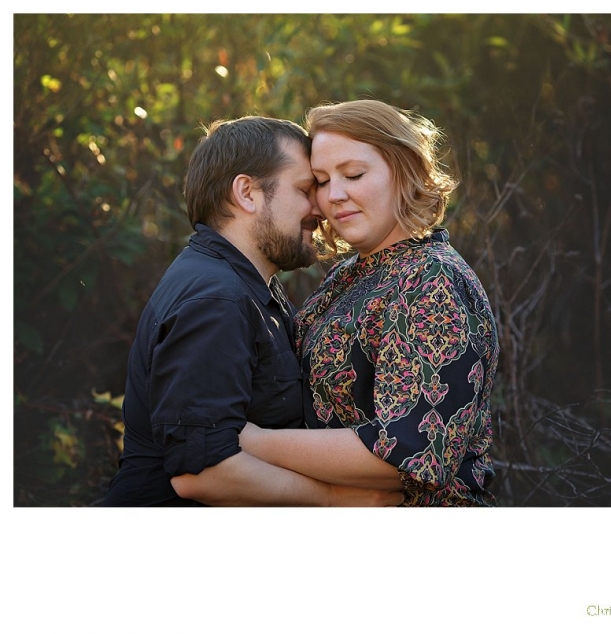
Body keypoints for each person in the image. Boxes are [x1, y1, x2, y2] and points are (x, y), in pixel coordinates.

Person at [101, 115, 403, 506]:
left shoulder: (247, 286)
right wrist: (335, 499)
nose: (321, 206)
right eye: (305, 188)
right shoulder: (215, 299)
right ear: (247, 193)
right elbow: (202, 473)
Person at [240, 100, 499, 506]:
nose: (334, 195)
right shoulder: (349, 273)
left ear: (403, 170)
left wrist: (247, 440)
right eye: (321, 181)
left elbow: (414, 453)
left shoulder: (431, 279)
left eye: (354, 174)